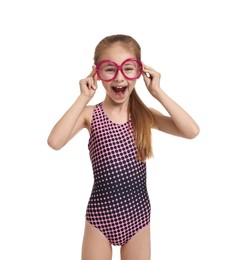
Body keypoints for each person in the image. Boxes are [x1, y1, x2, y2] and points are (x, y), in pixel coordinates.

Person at [47, 34, 199, 260]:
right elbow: (55, 142)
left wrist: (157, 92)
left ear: (139, 71)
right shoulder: (90, 115)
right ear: (97, 73)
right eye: (109, 69)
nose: (119, 77)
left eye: (128, 68)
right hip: (100, 217)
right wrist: (83, 97)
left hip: (137, 217)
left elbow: (191, 131)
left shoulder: (145, 116)